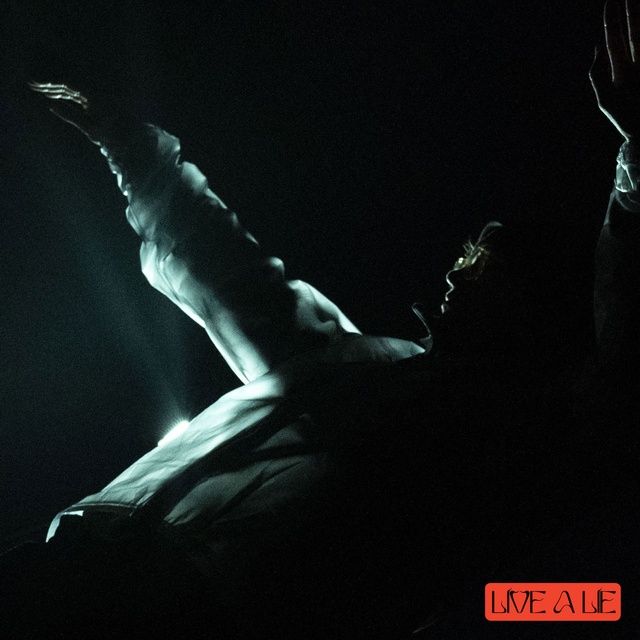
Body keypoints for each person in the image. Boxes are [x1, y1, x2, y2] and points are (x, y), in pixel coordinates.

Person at [6, 1, 640, 636]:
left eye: (484, 264)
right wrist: (120, 135)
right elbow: (211, 249)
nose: (455, 275)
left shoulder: (518, 438)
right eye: (465, 258)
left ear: (533, 305)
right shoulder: (353, 362)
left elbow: (620, 383)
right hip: (82, 556)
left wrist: (638, 173)